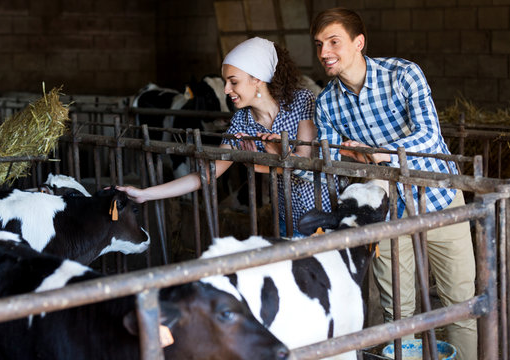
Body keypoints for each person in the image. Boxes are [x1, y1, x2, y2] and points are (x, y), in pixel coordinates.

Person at [310, 8, 476, 359]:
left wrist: (378, 155)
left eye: (334, 42)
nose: (324, 52)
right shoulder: (326, 102)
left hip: (440, 199)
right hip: (387, 214)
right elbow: (330, 163)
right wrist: (353, 160)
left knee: (462, 305)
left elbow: (429, 135)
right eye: (320, 44)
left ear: (359, 43)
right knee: (397, 313)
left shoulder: (403, 75)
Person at [117, 36, 333, 237]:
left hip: (327, 216)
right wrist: (146, 194)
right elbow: (207, 174)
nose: (227, 89)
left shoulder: (301, 100)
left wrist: (264, 163)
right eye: (225, 82)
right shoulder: (241, 122)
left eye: (233, 81)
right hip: (287, 220)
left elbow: (304, 160)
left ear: (257, 79)